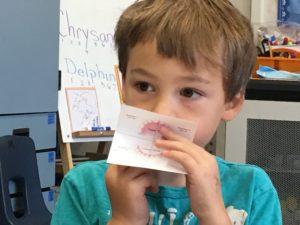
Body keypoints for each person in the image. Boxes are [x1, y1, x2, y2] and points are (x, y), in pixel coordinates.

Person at [51, 0, 282, 224]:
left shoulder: (251, 190)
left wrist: (213, 215)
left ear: (230, 103)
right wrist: (124, 220)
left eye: (189, 92)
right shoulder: (83, 186)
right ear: (123, 88)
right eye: (144, 86)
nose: (160, 112)